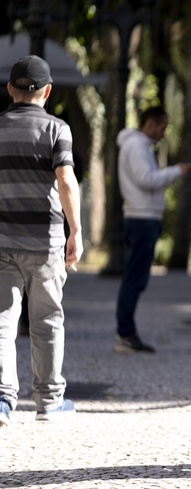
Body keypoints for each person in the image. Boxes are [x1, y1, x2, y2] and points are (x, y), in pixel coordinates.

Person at [0, 55, 83, 425]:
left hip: (2, 241)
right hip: (46, 240)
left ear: (10, 90)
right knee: (47, 319)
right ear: (47, 91)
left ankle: (2, 399)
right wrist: (76, 230)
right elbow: (65, 181)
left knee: (2, 320)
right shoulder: (57, 129)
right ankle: (49, 403)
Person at [114, 106, 191, 354]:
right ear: (150, 124)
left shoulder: (137, 145)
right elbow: (147, 179)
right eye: (162, 127)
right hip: (141, 218)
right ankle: (125, 334)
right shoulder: (136, 146)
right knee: (134, 279)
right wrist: (176, 171)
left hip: (143, 218)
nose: (163, 133)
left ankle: (126, 332)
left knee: (135, 278)